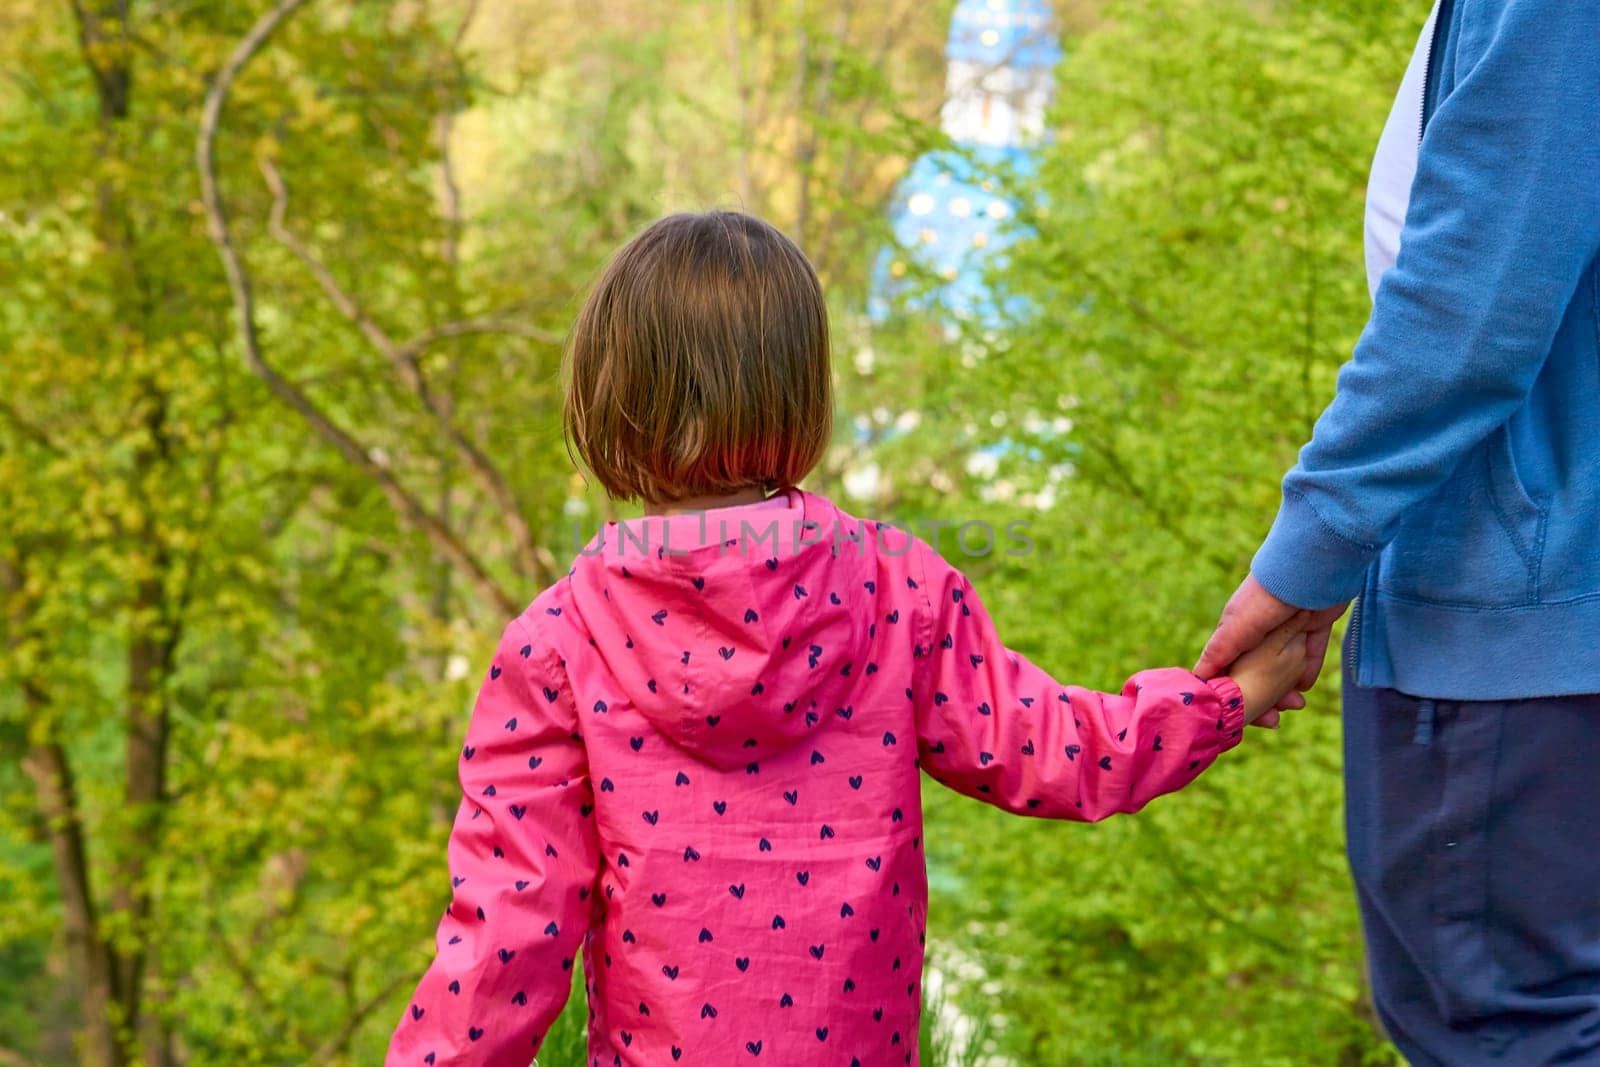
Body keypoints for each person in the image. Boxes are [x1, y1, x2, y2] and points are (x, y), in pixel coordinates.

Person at [386, 211, 1307, 1065]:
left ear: (605, 393)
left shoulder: (558, 643)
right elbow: (1055, 746)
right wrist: (1228, 698)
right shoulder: (898, 589)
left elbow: (508, 929)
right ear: (801, 391)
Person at [1197, 2, 1600, 1063]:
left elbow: (1472, 304)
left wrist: (1309, 553)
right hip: (1536, 607)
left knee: (1501, 1020)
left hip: (1518, 623)